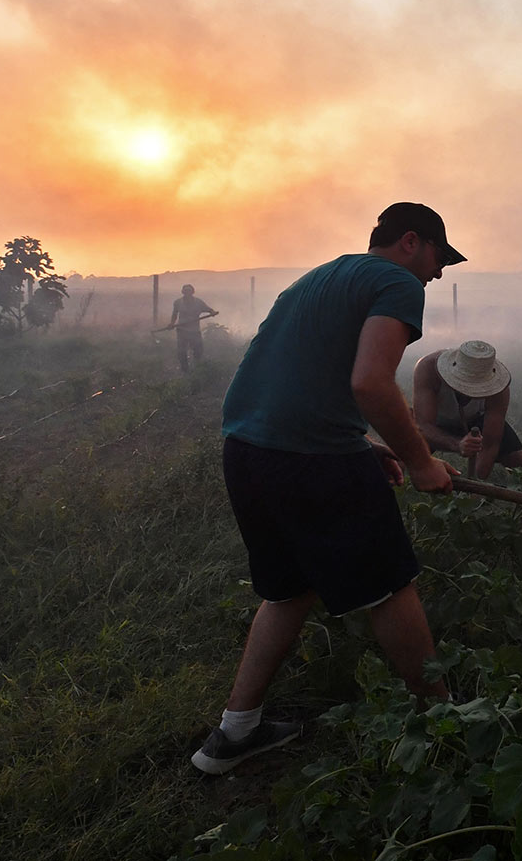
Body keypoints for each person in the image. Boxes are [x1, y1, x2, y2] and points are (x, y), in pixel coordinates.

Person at [190, 202, 467, 776]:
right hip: (310, 462)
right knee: (389, 584)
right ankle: (450, 728)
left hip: (247, 451)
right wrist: (421, 462)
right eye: (439, 258)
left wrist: (364, 444)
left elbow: (298, 379)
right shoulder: (395, 280)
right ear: (411, 242)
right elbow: (370, 381)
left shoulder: (317, 280)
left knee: (289, 590)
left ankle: (235, 732)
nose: (439, 274)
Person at [413, 340, 522, 478]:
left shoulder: (499, 387)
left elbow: (490, 444)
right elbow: (423, 426)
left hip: (476, 420)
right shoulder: (428, 368)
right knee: (400, 454)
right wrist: (457, 444)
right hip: (436, 421)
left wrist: (475, 487)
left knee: (519, 460)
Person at [169, 284, 218, 371]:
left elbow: (209, 309)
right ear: (183, 292)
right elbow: (174, 314)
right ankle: (185, 370)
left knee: (198, 350)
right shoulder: (178, 302)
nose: (187, 293)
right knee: (181, 352)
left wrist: (212, 312)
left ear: (192, 292)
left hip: (194, 331)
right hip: (182, 330)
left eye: (189, 291)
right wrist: (172, 323)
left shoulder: (198, 302)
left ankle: (197, 368)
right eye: (186, 291)